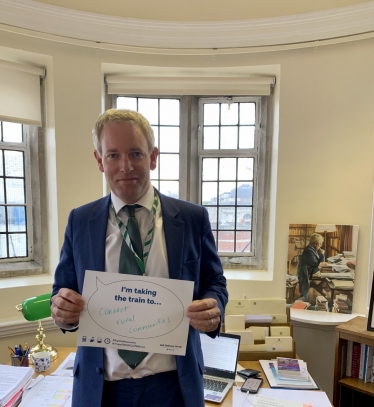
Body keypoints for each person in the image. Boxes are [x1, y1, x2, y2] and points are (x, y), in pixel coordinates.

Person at [50, 109, 228, 407]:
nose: (126, 166)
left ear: (153, 157)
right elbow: (62, 291)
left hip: (173, 387)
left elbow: (215, 281)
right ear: (99, 160)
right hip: (102, 390)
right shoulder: (80, 221)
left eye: (136, 153)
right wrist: (62, 311)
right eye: (113, 156)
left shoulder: (192, 218)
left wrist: (214, 307)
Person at [297, 232, 327, 301]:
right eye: (320, 244)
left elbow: (318, 263)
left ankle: (318, 289)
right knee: (326, 276)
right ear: (315, 244)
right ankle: (318, 289)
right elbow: (317, 264)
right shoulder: (308, 251)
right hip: (311, 271)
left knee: (327, 273)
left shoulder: (312, 250)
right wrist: (322, 255)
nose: (320, 246)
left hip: (313, 269)